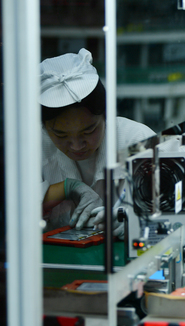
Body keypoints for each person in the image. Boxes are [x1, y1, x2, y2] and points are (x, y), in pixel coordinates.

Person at [40, 48, 156, 234]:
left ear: (106, 115)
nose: (77, 145)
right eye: (61, 135)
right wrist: (65, 189)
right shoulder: (37, 149)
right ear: (44, 127)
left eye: (89, 130)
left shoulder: (138, 141)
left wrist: (139, 221)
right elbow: (18, 213)